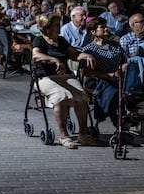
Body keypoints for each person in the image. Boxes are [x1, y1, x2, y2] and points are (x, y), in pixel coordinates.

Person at [32, 13, 96, 149]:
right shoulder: (39, 40)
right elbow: (36, 55)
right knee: (60, 97)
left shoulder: (61, 40)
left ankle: (83, 134)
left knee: (81, 96)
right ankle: (64, 136)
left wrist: (85, 55)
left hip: (65, 76)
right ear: (46, 28)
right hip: (45, 78)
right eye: (56, 25)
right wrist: (53, 59)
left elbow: (75, 55)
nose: (59, 27)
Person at [82, 17, 127, 126]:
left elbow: (125, 61)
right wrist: (107, 75)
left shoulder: (115, 46)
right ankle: (119, 125)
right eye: (102, 27)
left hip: (118, 78)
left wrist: (121, 70)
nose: (107, 29)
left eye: (106, 27)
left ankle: (124, 121)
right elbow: (87, 72)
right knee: (115, 92)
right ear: (93, 32)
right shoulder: (89, 50)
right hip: (99, 80)